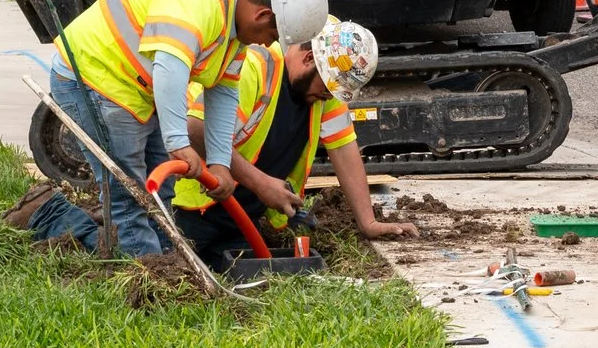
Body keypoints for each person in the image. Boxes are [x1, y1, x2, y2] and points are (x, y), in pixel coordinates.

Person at [20, 0, 329, 255]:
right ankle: (58, 220)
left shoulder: (233, 26)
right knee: (130, 197)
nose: (267, 44)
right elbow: (170, 67)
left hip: (133, 90)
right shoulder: (202, 3)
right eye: (272, 36)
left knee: (161, 193)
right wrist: (178, 142)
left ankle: (162, 259)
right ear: (262, 16)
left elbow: (222, 91)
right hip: (92, 78)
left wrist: (220, 163)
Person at [169, 19, 418, 269]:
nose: (329, 97)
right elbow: (197, 130)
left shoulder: (325, 84)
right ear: (309, 58)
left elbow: (343, 148)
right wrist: (262, 184)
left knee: (245, 279)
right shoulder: (254, 66)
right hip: (189, 208)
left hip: (239, 218)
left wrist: (368, 223)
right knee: (169, 270)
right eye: (328, 88)